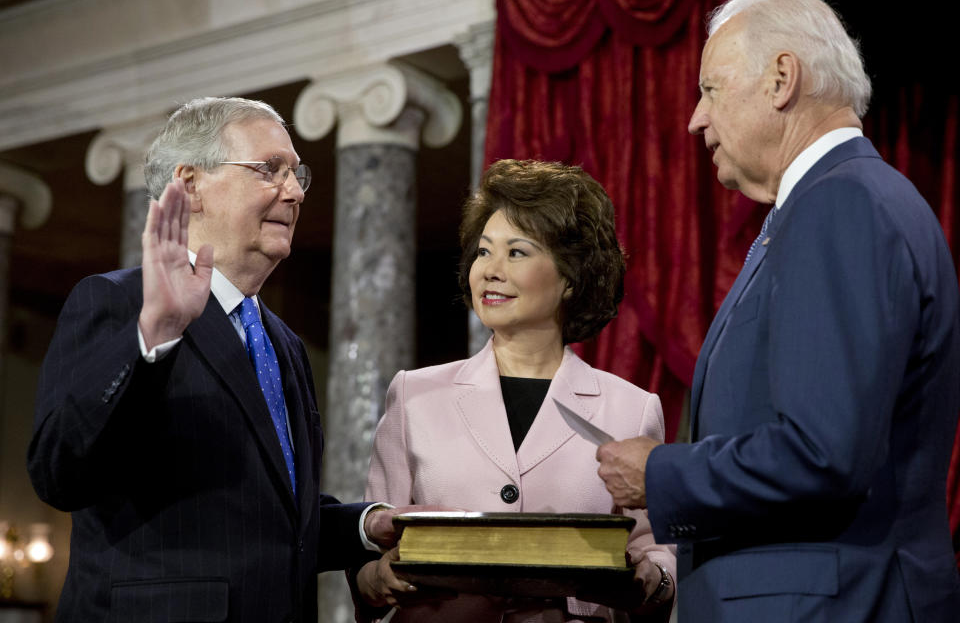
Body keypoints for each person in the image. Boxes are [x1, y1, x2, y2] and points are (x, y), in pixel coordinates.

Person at [595, 0, 960, 622]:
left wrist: (661, 476)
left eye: (711, 90)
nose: (695, 120)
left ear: (781, 79)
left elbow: (822, 453)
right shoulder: (851, 200)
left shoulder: (839, 204)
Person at [27, 96, 408, 622]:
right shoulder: (116, 303)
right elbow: (59, 473)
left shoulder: (283, 343)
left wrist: (365, 525)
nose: (295, 192)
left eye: (297, 174)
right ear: (189, 184)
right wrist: (153, 339)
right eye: (268, 170)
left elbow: (268, 520)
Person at [361, 159, 676, 623]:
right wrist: (372, 578)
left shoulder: (631, 408)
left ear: (570, 277)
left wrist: (650, 579)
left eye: (517, 253)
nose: (490, 270)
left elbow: (655, 552)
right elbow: (372, 541)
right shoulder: (413, 395)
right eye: (484, 252)